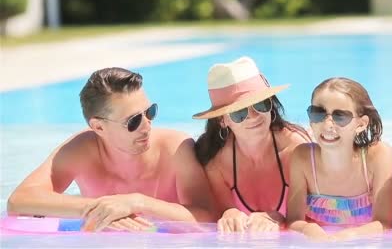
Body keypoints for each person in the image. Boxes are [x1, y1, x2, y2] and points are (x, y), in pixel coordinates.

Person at [7, 67, 217, 232]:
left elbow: (207, 217)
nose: (147, 125)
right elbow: (20, 201)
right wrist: (100, 211)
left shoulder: (175, 148)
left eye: (149, 112)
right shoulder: (80, 150)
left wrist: (136, 203)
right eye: (133, 121)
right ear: (98, 126)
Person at [193, 56, 310, 233]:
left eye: (261, 104)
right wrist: (229, 213)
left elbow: (314, 216)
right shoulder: (217, 164)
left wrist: (278, 218)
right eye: (239, 112)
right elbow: (221, 212)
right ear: (222, 120)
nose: (254, 116)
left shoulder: (295, 150)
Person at [286, 77, 392, 241]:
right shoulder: (303, 158)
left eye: (340, 117)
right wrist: (309, 229)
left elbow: (384, 224)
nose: (328, 124)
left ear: (361, 124)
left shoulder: (377, 156)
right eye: (318, 113)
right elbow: (293, 221)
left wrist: (348, 236)